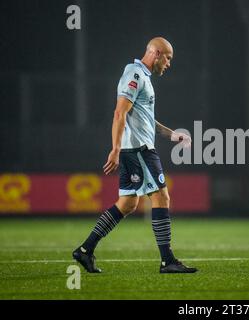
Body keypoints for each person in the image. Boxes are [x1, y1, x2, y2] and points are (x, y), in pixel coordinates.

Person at [72, 37, 197, 274]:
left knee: (128, 203)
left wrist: (172, 135)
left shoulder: (143, 78)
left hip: (135, 148)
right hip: (138, 150)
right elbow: (120, 112)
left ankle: (85, 250)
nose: (169, 64)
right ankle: (167, 261)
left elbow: (146, 119)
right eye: (168, 58)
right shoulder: (135, 74)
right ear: (157, 53)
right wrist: (116, 149)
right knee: (161, 197)